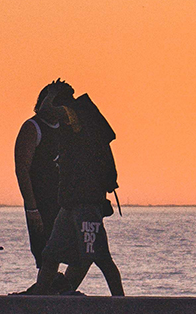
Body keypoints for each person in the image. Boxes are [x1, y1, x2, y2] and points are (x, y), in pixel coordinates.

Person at [28, 91, 125, 296]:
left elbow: (46, 110)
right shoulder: (77, 120)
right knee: (51, 255)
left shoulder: (76, 115)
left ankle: (121, 303)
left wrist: (53, 90)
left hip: (86, 204)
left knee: (100, 258)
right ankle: (37, 301)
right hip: (70, 203)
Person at [13, 81, 71, 264]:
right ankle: (46, 288)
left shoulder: (65, 128)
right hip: (41, 201)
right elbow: (22, 169)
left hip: (62, 202)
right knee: (45, 252)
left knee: (75, 252)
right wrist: (32, 208)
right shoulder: (32, 127)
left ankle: (60, 286)